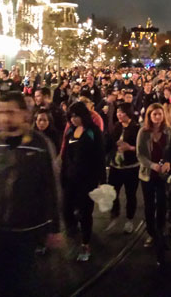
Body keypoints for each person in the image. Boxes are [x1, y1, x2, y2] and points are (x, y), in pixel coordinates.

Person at [0, 92, 62, 296]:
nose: (5, 117)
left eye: (11, 112)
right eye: (1, 112)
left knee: (23, 279)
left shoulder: (39, 145)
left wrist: (53, 227)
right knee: (2, 277)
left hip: (26, 228)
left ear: (24, 114)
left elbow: (50, 186)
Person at [60, 101, 105, 262]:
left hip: (88, 180)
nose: (73, 119)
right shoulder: (71, 131)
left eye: (76, 116)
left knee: (85, 212)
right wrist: (63, 174)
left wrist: (101, 180)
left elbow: (100, 156)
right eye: (71, 116)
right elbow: (66, 155)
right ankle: (73, 233)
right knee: (67, 208)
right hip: (71, 179)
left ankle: (86, 244)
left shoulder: (93, 132)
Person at [136, 103, 171, 250]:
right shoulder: (143, 132)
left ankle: (161, 229)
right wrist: (152, 165)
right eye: (154, 114)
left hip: (163, 174)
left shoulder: (169, 131)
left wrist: (168, 162)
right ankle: (151, 233)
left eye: (160, 114)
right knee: (149, 204)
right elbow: (140, 154)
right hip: (147, 174)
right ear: (149, 116)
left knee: (162, 203)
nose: (157, 117)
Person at [106, 103, 141, 234]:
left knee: (130, 194)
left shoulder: (136, 128)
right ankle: (114, 215)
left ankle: (129, 220)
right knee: (112, 192)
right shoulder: (116, 126)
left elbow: (142, 148)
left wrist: (130, 148)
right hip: (115, 166)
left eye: (121, 112)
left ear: (128, 113)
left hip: (131, 167)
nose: (119, 115)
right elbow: (110, 143)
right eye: (118, 112)